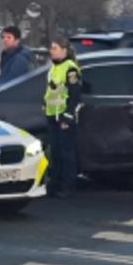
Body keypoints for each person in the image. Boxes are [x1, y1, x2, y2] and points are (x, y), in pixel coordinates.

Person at [43, 37, 83, 197]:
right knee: (56, 152)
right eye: (51, 48)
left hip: (64, 116)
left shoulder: (70, 68)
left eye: (54, 48)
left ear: (64, 50)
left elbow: (74, 95)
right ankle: (55, 184)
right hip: (53, 114)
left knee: (67, 153)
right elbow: (51, 90)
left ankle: (68, 186)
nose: (51, 51)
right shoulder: (54, 67)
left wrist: (67, 116)